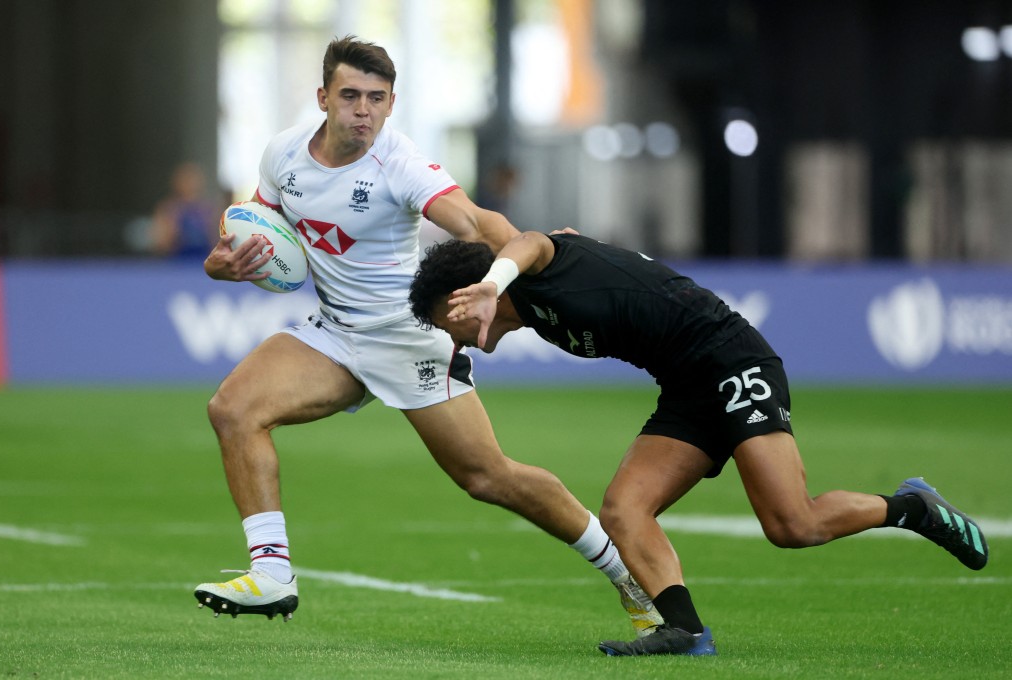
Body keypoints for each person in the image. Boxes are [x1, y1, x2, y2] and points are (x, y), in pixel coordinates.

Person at [194, 36, 662, 636]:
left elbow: (473, 221)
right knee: (232, 409)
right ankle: (272, 575)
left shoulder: (400, 164)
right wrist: (225, 264)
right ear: (322, 99)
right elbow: (258, 230)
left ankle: (630, 577)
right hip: (335, 332)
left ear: (392, 105)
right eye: (350, 96)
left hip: (408, 336)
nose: (363, 110)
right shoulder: (283, 155)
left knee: (490, 478)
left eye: (377, 98)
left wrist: (528, 255)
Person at [408, 231, 990, 657]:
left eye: (447, 315)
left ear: (474, 292)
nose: (450, 330)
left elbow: (531, 240)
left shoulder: (534, 272)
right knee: (622, 509)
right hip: (688, 386)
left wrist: (492, 282)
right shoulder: (535, 310)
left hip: (732, 359)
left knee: (793, 525)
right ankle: (684, 631)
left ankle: (912, 508)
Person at [151, 161, 218, 259]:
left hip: (204, 263)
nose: (189, 183)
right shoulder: (168, 209)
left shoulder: (209, 209)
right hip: (176, 264)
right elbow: (160, 244)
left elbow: (218, 242)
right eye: (185, 179)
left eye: (192, 179)